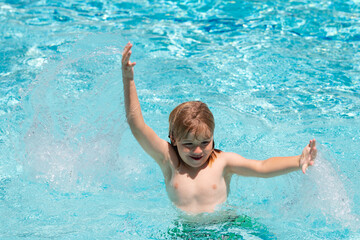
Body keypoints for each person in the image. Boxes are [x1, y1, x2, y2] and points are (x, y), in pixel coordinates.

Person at [121, 42, 317, 214]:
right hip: (185, 233)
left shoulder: (223, 162)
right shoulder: (169, 160)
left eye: (205, 142)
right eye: (188, 144)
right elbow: (136, 124)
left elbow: (261, 167)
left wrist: (298, 160)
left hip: (223, 226)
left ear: (213, 137)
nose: (198, 151)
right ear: (173, 139)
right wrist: (128, 79)